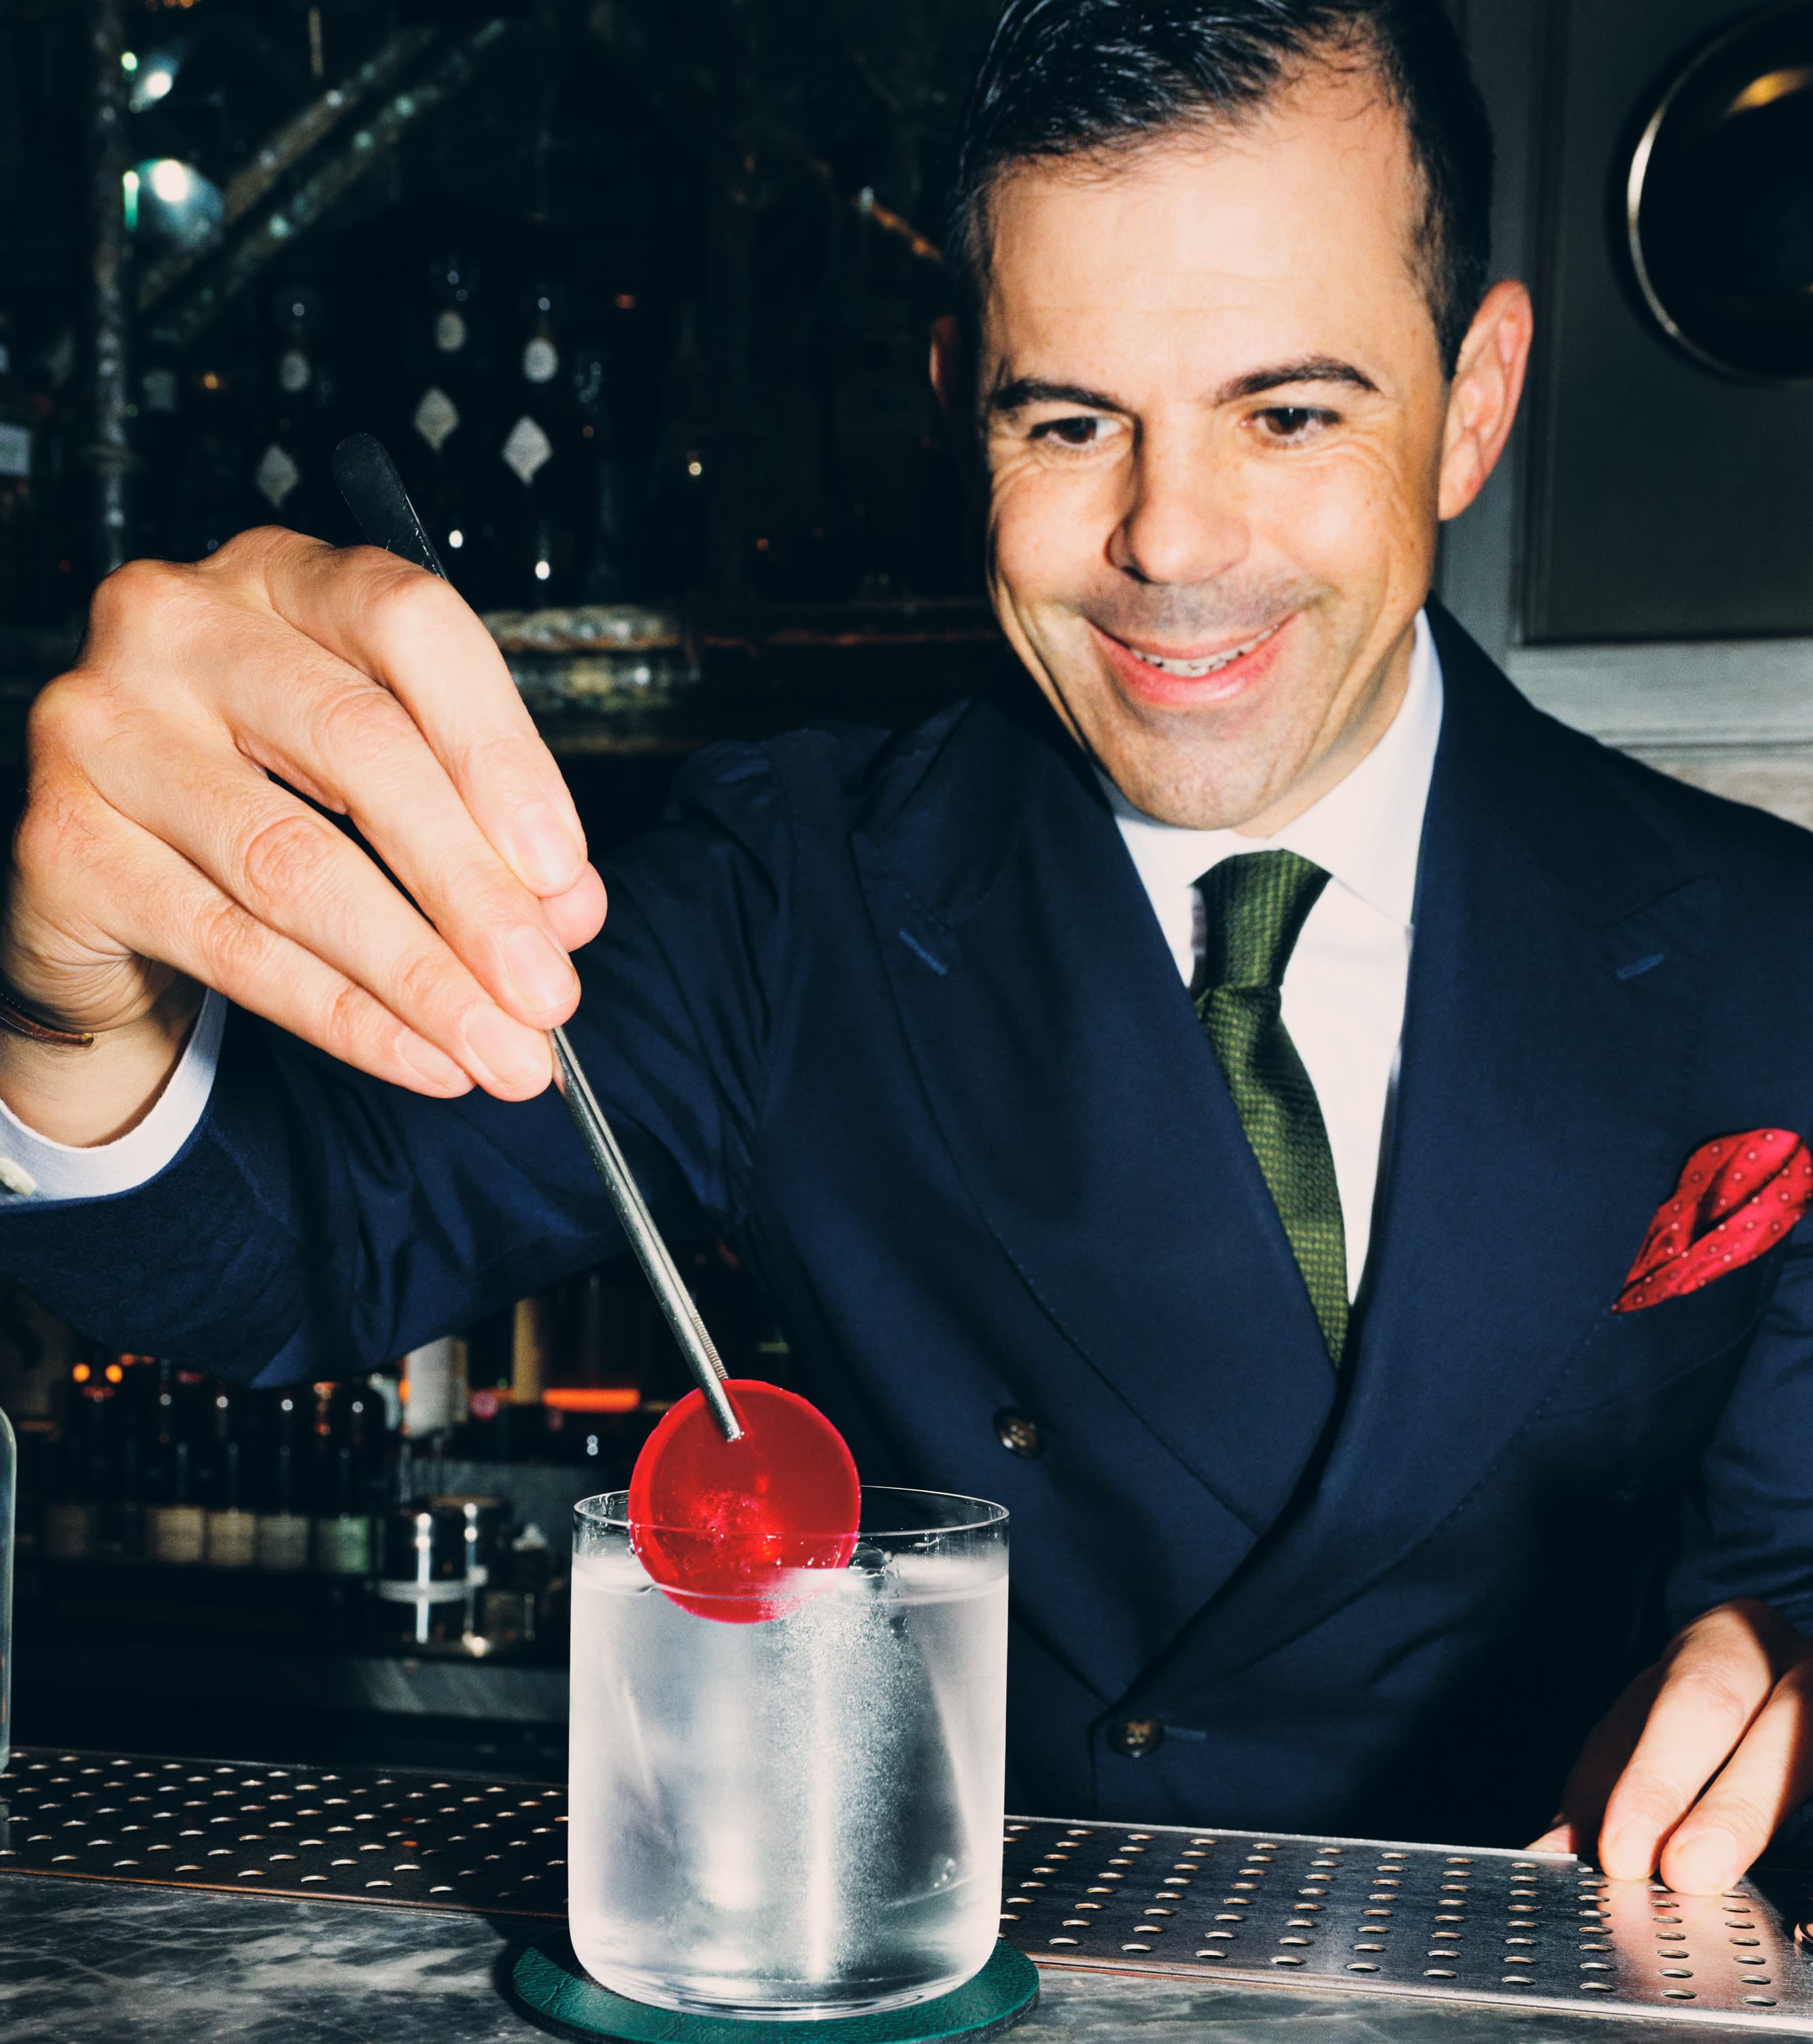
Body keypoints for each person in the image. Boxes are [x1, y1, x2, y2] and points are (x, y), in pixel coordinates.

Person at [5, 0, 1813, 1884]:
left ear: (1476, 397)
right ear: (963, 401)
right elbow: (283, 1257)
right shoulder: (793, 895)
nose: (1169, 543)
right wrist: (66, 1008)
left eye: (1288, 413)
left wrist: (1776, 1667)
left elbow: (1787, 1555)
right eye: (1067, 422)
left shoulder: (1770, 955)